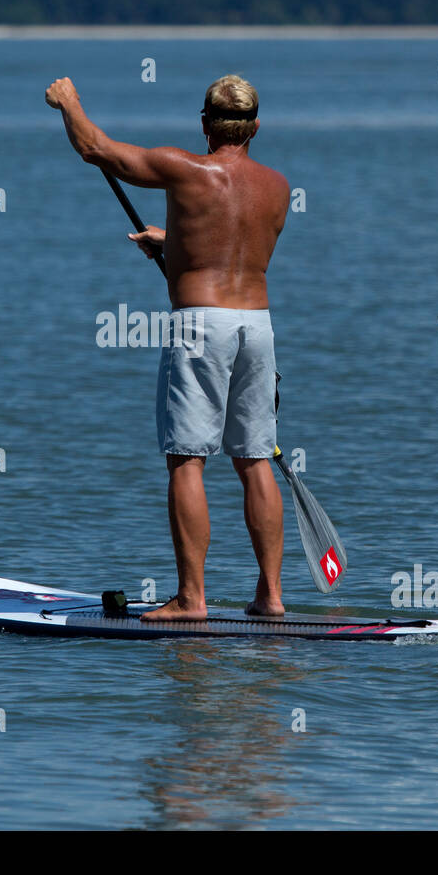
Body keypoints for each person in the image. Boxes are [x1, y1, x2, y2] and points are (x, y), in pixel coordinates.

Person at [45, 73, 289, 620]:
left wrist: (69, 102)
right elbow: (232, 242)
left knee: (186, 461)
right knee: (254, 461)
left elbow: (96, 149)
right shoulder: (278, 187)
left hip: (201, 326)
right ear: (255, 127)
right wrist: (174, 242)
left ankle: (191, 599)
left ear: (205, 125)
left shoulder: (185, 169)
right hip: (257, 326)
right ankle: (270, 597)